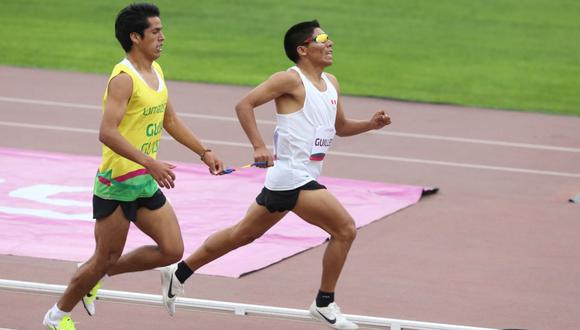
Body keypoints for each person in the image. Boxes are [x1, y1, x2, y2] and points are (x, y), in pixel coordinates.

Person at [160, 20, 391, 329]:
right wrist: (258, 145)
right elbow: (245, 105)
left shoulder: (332, 82)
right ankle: (324, 303)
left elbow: (341, 127)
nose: (330, 42)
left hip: (295, 176)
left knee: (243, 234)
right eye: (323, 38)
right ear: (303, 49)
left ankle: (178, 272)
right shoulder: (289, 80)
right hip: (294, 176)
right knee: (345, 229)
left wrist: (370, 125)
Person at [42, 3, 224, 329]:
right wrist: (150, 162)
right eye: (155, 32)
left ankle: (96, 273)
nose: (163, 38)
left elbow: (170, 119)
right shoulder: (124, 79)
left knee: (171, 250)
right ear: (135, 37)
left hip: (143, 180)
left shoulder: (155, 72)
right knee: (104, 257)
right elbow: (106, 132)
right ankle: (57, 316)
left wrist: (203, 151)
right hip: (117, 184)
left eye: (161, 31)